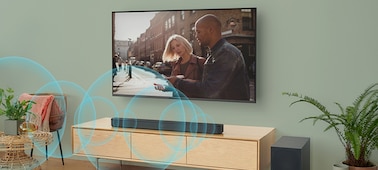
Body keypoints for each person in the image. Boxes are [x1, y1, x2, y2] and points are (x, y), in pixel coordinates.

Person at [167, 14, 250, 101]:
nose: (196, 36)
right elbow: (207, 84)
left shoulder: (226, 53)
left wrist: (177, 82)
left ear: (210, 30)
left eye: (198, 32)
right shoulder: (215, 53)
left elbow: (210, 91)